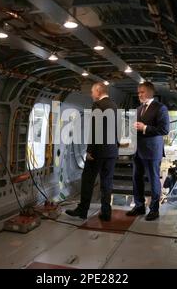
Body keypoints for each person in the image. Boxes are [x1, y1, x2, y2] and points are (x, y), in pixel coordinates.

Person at [65, 82, 119, 221]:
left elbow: (95, 131)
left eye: (92, 92)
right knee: (107, 182)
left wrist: (89, 151)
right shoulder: (114, 106)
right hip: (111, 151)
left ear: (98, 91)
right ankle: (106, 212)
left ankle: (82, 210)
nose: (91, 94)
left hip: (98, 152)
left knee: (88, 179)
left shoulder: (98, 106)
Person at [127, 82, 170, 221]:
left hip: (152, 151)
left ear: (151, 92)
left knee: (153, 180)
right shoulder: (139, 109)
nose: (139, 94)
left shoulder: (160, 108)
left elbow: (164, 129)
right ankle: (139, 206)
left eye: (142, 92)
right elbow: (137, 128)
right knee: (136, 179)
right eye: (138, 92)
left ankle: (154, 209)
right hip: (138, 150)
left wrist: (145, 128)